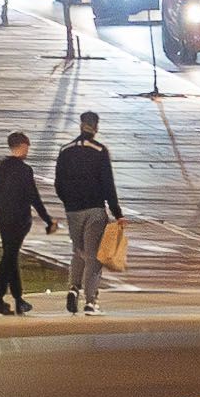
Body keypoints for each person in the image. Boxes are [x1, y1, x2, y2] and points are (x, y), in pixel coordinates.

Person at [54, 111, 122, 313]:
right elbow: (108, 185)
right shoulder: (100, 151)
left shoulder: (65, 150)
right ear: (96, 127)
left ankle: (74, 287)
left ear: (81, 125)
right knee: (93, 255)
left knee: (78, 250)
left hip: (73, 210)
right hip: (94, 209)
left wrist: (68, 202)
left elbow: (59, 184)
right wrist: (117, 212)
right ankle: (90, 301)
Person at [0, 132, 54, 315]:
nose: (28, 151)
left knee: (10, 257)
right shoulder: (24, 170)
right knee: (9, 258)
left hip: (4, 220)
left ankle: (17, 300)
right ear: (21, 146)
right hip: (20, 221)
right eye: (27, 147)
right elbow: (34, 198)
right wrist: (47, 219)